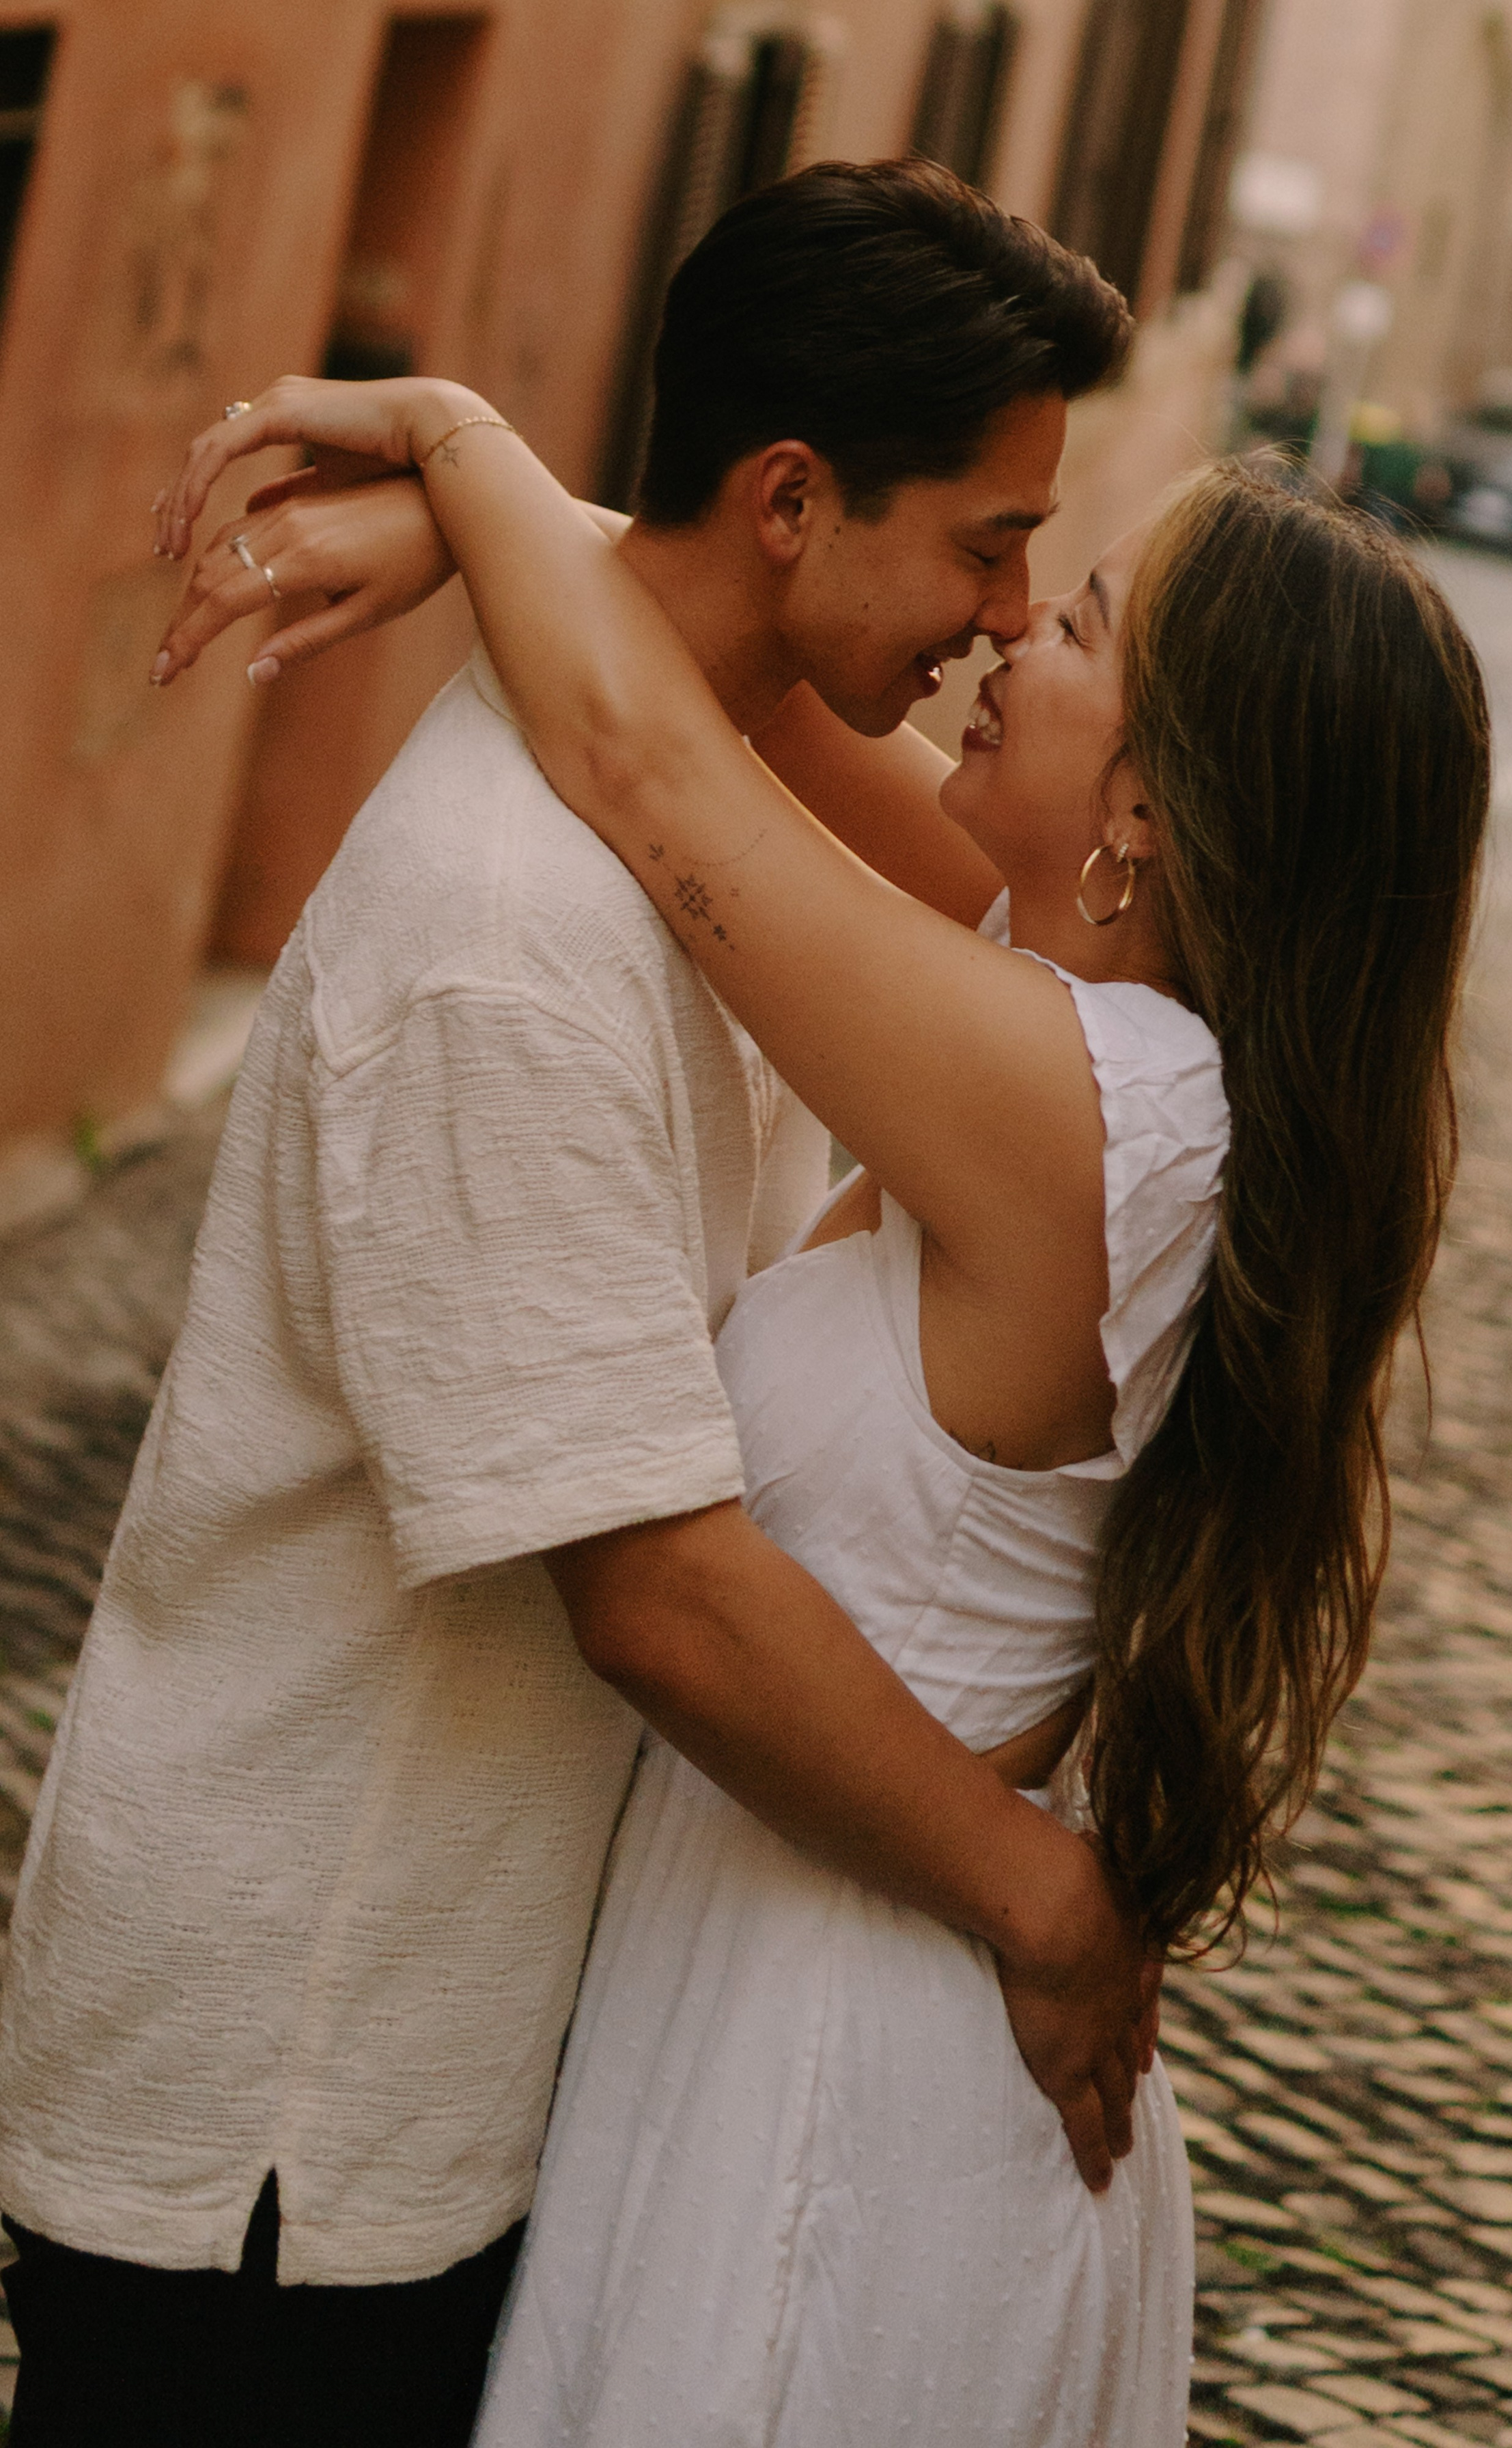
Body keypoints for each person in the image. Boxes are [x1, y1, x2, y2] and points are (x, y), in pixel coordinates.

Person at [143, 355, 1492, 2445]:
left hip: (841, 2097)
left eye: (1080, 625)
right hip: (772, 1993)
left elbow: (651, 768)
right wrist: (482, 528)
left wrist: (447, 434)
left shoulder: (1102, 1120)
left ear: (1147, 807)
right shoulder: (1067, 1018)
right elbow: (730, 670)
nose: (1006, 636)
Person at [0, 164, 1153, 2448]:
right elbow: (655, 1592)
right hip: (297, 2115)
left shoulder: (702, 832)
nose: (1009, 618)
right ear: (796, 499)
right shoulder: (506, 943)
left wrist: (474, 478)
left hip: (456, 2070)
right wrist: (1039, 1896)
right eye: (991, 542)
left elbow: (903, 852)